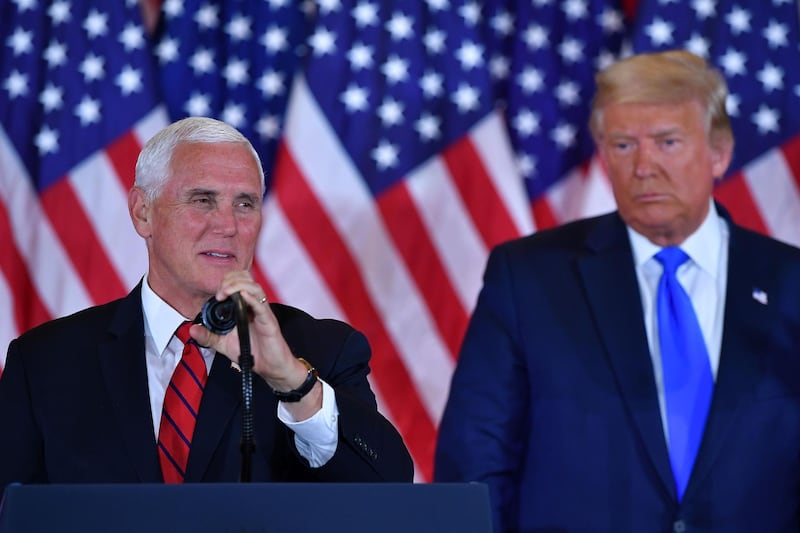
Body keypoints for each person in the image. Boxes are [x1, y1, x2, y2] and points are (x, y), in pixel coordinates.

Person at [434, 49, 800, 532]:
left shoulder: (790, 284)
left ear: (720, 152)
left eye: (668, 142)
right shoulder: (527, 278)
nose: (644, 166)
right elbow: (475, 463)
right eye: (623, 145)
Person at [0, 117, 413, 493]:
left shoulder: (320, 351)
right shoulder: (45, 363)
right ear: (143, 213)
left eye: (245, 204)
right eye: (203, 200)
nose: (228, 225)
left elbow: (386, 488)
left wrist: (292, 382)